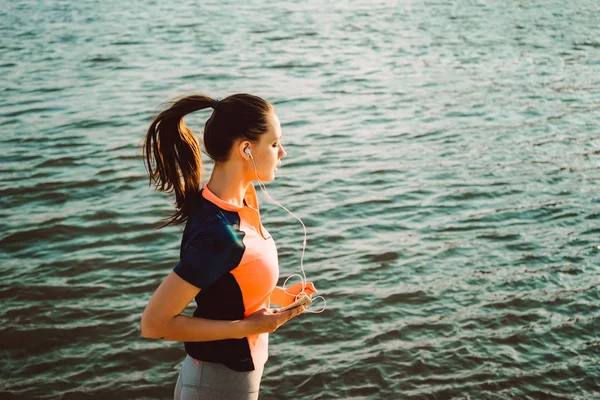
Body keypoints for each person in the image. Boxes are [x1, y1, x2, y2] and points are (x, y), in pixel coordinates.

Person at [139, 94, 317, 399]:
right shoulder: (220, 234)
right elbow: (154, 325)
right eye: (274, 144)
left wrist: (279, 294)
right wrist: (246, 328)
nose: (283, 153)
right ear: (246, 149)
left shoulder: (237, 200)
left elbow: (227, 282)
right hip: (219, 384)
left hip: (223, 379)